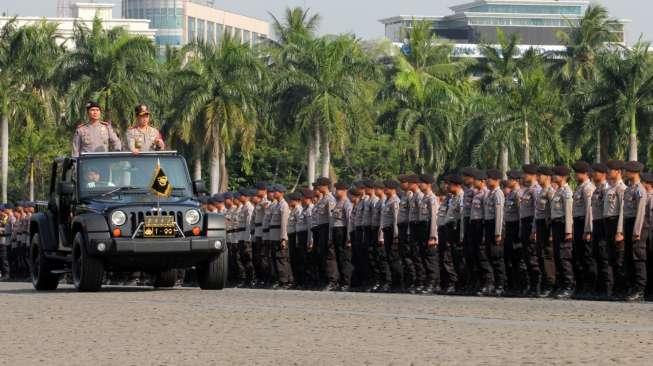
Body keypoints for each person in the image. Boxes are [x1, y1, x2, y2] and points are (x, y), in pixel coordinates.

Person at [622, 161, 647, 301]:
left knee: (638, 258)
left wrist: (636, 232)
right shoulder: (629, 189)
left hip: (636, 225)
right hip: (628, 223)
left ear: (634, 172)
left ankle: (640, 290)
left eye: (627, 170)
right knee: (629, 257)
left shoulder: (640, 190)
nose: (625, 172)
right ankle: (632, 287)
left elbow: (641, 213)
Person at [550, 166, 575, 299]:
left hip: (563, 225)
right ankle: (561, 285)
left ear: (563, 177)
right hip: (556, 225)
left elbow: (568, 212)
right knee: (558, 256)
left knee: (564, 256)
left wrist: (568, 231)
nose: (553, 177)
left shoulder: (566, 192)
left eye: (556, 175)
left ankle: (569, 286)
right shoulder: (558, 191)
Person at [603, 160, 627, 299]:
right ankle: (612, 290)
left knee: (619, 260)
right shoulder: (609, 189)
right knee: (610, 258)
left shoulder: (621, 189)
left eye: (610, 170)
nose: (608, 172)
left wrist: (620, 231)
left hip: (616, 223)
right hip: (608, 224)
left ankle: (621, 289)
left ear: (618, 172)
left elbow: (623, 211)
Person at [571, 161, 595, 298]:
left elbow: (589, 211)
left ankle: (589, 287)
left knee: (587, 258)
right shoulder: (579, 188)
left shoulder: (588, 188)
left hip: (584, 224)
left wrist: (588, 230)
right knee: (579, 257)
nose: (575, 175)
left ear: (585, 173)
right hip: (578, 224)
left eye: (578, 172)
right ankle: (580, 287)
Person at [532, 166, 556, 297]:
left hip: (547, 226)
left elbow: (553, 213)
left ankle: (551, 283)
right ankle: (545, 283)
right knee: (540, 255)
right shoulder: (541, 191)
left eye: (539, 175)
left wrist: (552, 232)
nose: (537, 178)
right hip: (540, 225)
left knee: (548, 255)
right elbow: (537, 213)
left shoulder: (550, 192)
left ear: (547, 177)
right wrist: (534, 230)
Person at [504, 170, 527, 295]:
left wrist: (519, 232)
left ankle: (521, 286)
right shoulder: (510, 194)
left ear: (516, 180)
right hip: (509, 227)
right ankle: (512, 285)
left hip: (516, 228)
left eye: (510, 178)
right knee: (509, 258)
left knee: (518, 258)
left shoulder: (519, 194)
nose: (507, 180)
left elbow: (520, 214)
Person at [313, 177, 338, 291]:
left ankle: (333, 281)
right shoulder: (322, 200)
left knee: (329, 255)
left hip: (326, 228)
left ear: (325, 186)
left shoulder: (330, 199)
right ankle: (324, 279)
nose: (317, 187)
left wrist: (330, 236)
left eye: (319, 185)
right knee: (321, 255)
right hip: (320, 229)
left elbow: (331, 219)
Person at [483, 169, 506, 296]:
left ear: (496, 180)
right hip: (488, 225)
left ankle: (500, 285)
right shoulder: (489, 194)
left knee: (497, 258)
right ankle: (493, 284)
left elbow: (499, 215)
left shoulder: (498, 194)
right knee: (489, 256)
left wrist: (498, 233)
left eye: (489, 178)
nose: (486, 180)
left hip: (494, 227)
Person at [417, 174, 440, 294]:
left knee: (431, 258)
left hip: (428, 229)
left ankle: (433, 283)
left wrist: (433, 236)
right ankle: (428, 282)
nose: (420, 185)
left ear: (428, 184)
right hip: (422, 229)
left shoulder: (432, 199)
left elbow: (434, 219)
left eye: (422, 183)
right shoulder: (424, 198)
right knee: (424, 257)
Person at [590, 163, 609, 299]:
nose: (594, 174)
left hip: (604, 224)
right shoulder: (596, 190)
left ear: (603, 174)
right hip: (595, 224)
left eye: (597, 172)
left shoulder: (606, 189)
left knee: (604, 257)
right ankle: (599, 288)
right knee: (596, 256)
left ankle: (607, 289)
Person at [379, 180, 402, 292]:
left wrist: (396, 236)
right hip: (386, 230)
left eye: (386, 187)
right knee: (388, 257)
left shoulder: (395, 201)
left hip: (392, 231)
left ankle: (397, 283)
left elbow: (396, 220)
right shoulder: (387, 201)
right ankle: (392, 282)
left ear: (392, 189)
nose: (384, 189)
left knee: (394, 258)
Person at [269, 184, 293, 289]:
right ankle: (280, 280)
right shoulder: (276, 205)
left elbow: (284, 223)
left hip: (279, 236)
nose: (274, 193)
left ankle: (285, 281)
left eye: (276, 191)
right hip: (273, 236)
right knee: (275, 259)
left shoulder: (284, 205)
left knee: (281, 259)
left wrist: (283, 238)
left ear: (282, 193)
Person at [444, 174, 464, 293]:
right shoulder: (453, 197)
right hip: (450, 230)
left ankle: (460, 283)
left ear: (456, 185)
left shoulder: (461, 197)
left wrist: (461, 235)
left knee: (458, 258)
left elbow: (460, 217)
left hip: (456, 230)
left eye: (449, 184)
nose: (447, 186)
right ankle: (455, 283)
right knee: (451, 257)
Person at [332, 182, 353, 291]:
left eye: (338, 190)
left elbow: (349, 221)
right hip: (336, 231)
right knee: (338, 257)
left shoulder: (347, 203)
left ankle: (346, 282)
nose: (336, 192)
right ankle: (341, 281)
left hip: (343, 231)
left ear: (344, 190)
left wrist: (349, 237)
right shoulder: (337, 203)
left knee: (344, 258)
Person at [236, 188, 255, 288]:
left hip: (246, 237)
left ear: (246, 196)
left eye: (241, 195)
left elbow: (249, 224)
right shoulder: (243, 207)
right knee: (242, 259)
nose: (239, 197)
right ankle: (245, 280)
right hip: (241, 236)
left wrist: (248, 238)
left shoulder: (249, 208)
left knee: (248, 259)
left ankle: (250, 279)